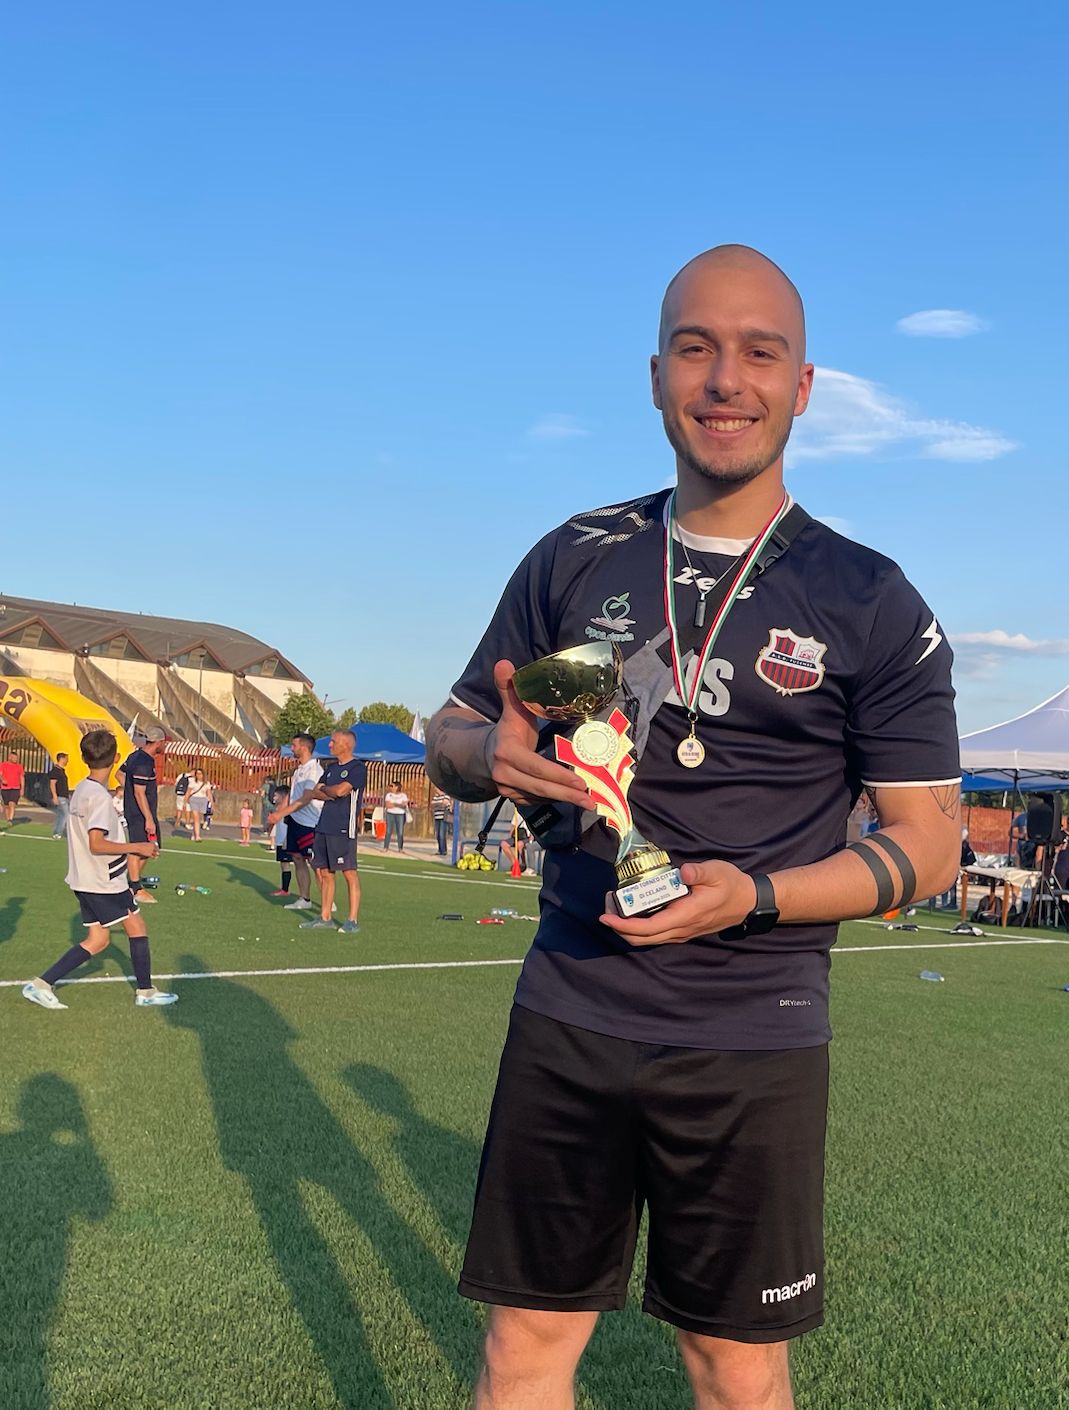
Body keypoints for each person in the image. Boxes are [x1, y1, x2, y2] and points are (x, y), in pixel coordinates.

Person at [425, 244, 960, 1409]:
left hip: (751, 1031)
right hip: (570, 999)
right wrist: (487, 755)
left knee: (732, 1364)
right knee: (524, 1347)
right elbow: (456, 724)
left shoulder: (872, 598)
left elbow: (929, 845)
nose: (727, 379)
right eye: (696, 347)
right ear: (657, 373)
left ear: (803, 385)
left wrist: (756, 895)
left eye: (759, 352)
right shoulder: (576, 553)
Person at [20, 729, 178, 1011]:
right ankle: (146, 992)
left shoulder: (82, 788)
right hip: (102, 880)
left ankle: (42, 984)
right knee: (136, 926)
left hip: (83, 877)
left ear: (83, 757)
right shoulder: (100, 798)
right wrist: (136, 848)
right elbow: (97, 843)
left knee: (99, 939)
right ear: (117, 758)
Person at [268, 727, 365, 935]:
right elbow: (315, 793)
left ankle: (352, 920)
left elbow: (339, 791)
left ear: (346, 744)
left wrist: (328, 792)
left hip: (342, 827)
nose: (329, 745)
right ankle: (325, 917)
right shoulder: (330, 768)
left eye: (333, 741)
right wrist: (329, 792)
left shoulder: (357, 768)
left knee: (349, 873)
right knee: (323, 871)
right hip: (324, 825)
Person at [121, 728, 167, 903]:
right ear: (158, 742)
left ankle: (130, 885)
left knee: (150, 849)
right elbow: (140, 793)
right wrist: (148, 818)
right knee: (139, 848)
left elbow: (120, 773)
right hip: (140, 813)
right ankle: (134, 888)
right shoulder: (143, 763)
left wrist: (128, 789)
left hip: (140, 810)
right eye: (163, 742)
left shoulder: (135, 756)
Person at [280, 734, 324, 910]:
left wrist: (282, 813)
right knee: (298, 859)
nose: (291, 748)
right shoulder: (298, 770)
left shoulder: (314, 770)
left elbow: (306, 798)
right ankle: (304, 899)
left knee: (316, 863)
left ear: (304, 748)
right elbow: (293, 796)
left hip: (310, 823)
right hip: (295, 821)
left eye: (294, 745)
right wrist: (282, 814)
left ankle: (328, 901)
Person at [269, 785, 294, 896]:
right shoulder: (278, 809)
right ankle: (284, 888)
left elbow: (289, 826)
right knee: (283, 864)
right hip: (280, 841)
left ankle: (285, 890)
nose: (274, 797)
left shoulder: (287, 811)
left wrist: (286, 840)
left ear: (283, 796)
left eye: (276, 795)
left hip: (285, 841)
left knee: (286, 864)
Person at [47, 752, 71, 838]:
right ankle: (60, 832)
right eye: (66, 758)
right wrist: (55, 796)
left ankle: (57, 832)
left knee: (61, 815)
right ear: (61, 759)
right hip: (60, 796)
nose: (67, 761)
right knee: (66, 815)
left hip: (64, 796)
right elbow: (52, 783)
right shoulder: (55, 771)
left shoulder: (61, 770)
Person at [186, 768, 213, 842]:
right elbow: (188, 792)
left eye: (200, 774)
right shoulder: (192, 782)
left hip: (203, 800)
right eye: (197, 774)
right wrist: (185, 801)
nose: (198, 775)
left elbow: (209, 793)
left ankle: (194, 834)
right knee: (196, 818)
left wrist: (212, 803)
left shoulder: (206, 783)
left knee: (199, 819)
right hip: (194, 799)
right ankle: (197, 836)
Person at [382, 783, 410, 851]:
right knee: (388, 831)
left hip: (400, 814)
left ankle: (400, 848)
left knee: (400, 832)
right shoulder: (389, 795)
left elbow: (404, 805)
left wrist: (394, 804)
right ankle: (386, 847)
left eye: (392, 786)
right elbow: (388, 805)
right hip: (390, 813)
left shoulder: (403, 795)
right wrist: (398, 804)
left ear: (397, 787)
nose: (390, 787)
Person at [1, 750, 23, 823]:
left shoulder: (19, 766)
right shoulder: (3, 765)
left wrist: (22, 788)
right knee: (7, 805)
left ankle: (10, 819)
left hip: (16, 788)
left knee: (12, 803)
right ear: (10, 757)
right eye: (14, 758)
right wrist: (3, 779)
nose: (16, 759)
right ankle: (8, 819)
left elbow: (22, 777)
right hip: (5, 788)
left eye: (16, 758)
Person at [432, 789, 454, 857]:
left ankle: (444, 850)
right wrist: (440, 804)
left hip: (443, 818)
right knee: (438, 834)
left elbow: (444, 804)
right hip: (437, 817)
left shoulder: (446, 796)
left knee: (442, 834)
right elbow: (432, 805)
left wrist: (437, 805)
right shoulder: (435, 797)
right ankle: (440, 849)